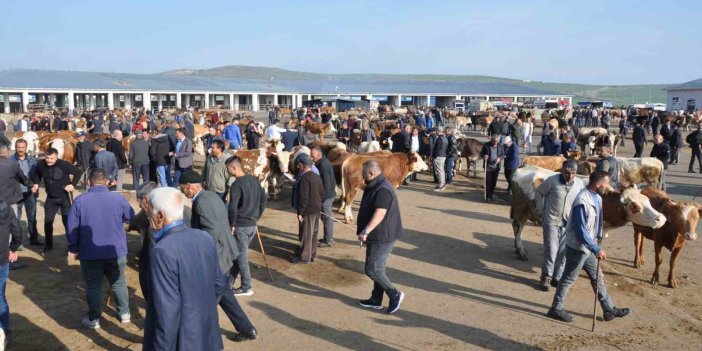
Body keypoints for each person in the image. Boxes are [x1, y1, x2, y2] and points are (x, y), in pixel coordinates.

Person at [142, 187, 227, 350]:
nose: (148, 218)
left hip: (182, 341)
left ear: (160, 216)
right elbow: (220, 282)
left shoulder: (162, 251)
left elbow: (166, 311)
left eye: (149, 214)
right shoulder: (204, 237)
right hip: (207, 335)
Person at [178, 171, 258, 342]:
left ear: (190, 187)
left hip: (215, 259)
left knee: (204, 302)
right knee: (226, 296)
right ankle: (247, 329)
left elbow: (211, 233)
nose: (183, 192)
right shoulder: (211, 196)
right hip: (226, 253)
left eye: (183, 188)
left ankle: (192, 337)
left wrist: (203, 258)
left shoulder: (201, 203)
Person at [548, 171, 631, 323]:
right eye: (607, 184)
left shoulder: (598, 198)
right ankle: (556, 309)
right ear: (598, 184)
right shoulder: (582, 200)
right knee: (568, 278)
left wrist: (595, 245)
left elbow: (595, 225)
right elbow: (581, 230)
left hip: (589, 247)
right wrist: (596, 248)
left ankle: (608, 309)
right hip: (578, 248)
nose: (609, 187)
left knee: (597, 277)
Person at [67, 170, 134, 329]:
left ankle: (94, 319)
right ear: (107, 182)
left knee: (93, 285)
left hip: (90, 253)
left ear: (89, 182)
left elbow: (72, 228)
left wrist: (73, 248)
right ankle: (125, 313)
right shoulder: (118, 198)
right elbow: (131, 216)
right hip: (115, 250)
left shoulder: (80, 201)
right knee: (119, 282)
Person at [356, 160, 405, 314]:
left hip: (382, 235)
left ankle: (394, 293)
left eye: (363, 173)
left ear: (371, 173)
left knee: (372, 269)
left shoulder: (382, 188)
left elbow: (380, 212)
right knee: (379, 267)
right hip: (379, 234)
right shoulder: (376, 184)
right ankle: (376, 299)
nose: (362, 175)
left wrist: (366, 231)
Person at [535, 160, 584, 291]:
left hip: (568, 223)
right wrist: (540, 210)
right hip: (551, 220)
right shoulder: (552, 181)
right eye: (567, 173)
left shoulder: (579, 184)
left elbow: (582, 200)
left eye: (573, 173)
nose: (570, 176)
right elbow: (539, 192)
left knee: (564, 252)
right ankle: (546, 277)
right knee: (551, 249)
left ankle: (557, 277)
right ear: (562, 171)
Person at [226, 156, 266, 297]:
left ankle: (246, 286)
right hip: (252, 225)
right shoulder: (254, 180)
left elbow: (233, 208)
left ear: (234, 168)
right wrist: (258, 215)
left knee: (241, 257)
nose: (227, 171)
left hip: (241, 226)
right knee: (238, 255)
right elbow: (263, 198)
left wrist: (231, 224)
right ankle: (228, 283)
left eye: (228, 169)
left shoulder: (236, 185)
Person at [31, 148, 81, 253]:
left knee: (67, 222)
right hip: (51, 199)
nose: (49, 160)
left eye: (52, 158)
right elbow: (37, 174)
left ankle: (71, 246)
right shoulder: (41, 164)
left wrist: (72, 185)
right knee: (47, 222)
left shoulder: (64, 164)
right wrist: (36, 183)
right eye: (47, 158)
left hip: (64, 198)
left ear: (57, 157)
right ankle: (48, 245)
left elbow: (78, 172)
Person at [292, 154, 324, 264]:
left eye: (298, 165)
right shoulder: (317, 176)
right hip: (316, 209)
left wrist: (300, 213)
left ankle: (304, 258)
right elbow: (322, 194)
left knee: (307, 234)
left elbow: (303, 198)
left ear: (301, 165)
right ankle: (312, 254)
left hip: (308, 211)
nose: (297, 167)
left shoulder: (304, 178)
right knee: (314, 233)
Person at [9, 140, 40, 247]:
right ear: (15, 147)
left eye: (22, 147)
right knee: (15, 219)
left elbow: (37, 174)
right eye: (18, 147)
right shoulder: (10, 160)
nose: (20, 149)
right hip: (16, 193)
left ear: (26, 147)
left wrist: (36, 184)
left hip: (30, 192)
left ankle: (34, 239)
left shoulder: (32, 160)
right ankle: (17, 243)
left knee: (32, 217)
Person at [0, 199, 21, 343]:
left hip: (2, 257)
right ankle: (5, 331)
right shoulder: (4, 205)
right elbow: (16, 230)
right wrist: (13, 248)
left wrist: (12, 248)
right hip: (2, 256)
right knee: (0, 296)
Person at [310, 146, 336, 247]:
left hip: (327, 196)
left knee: (327, 218)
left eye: (312, 156)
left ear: (319, 155)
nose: (311, 158)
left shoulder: (323, 165)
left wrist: (322, 199)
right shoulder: (321, 162)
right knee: (325, 217)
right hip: (327, 195)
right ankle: (327, 238)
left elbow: (327, 184)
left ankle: (328, 240)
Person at [480, 134, 504, 202]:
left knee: (493, 182)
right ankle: (488, 196)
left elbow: (503, 154)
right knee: (488, 182)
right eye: (494, 142)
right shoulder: (486, 145)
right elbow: (481, 153)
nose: (495, 143)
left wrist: (500, 158)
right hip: (488, 167)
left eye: (496, 142)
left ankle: (491, 194)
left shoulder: (500, 146)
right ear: (491, 140)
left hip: (496, 167)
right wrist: (484, 155)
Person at [431, 127, 448, 191]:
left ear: (438, 131)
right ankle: (441, 183)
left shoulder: (439, 139)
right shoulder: (445, 138)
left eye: (436, 131)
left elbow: (437, 149)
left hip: (438, 157)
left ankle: (441, 185)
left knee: (439, 171)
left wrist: (434, 157)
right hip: (443, 156)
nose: (436, 132)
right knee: (441, 171)